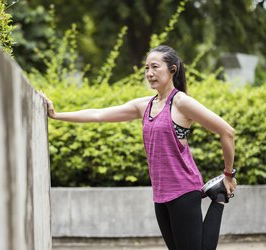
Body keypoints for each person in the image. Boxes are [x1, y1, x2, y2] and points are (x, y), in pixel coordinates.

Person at [40, 45, 237, 250]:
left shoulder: (181, 103)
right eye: (146, 68)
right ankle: (219, 195)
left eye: (155, 67)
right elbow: (98, 114)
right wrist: (57, 115)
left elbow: (227, 132)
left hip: (184, 191)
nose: (149, 73)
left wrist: (228, 173)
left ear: (172, 69)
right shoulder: (144, 105)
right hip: (160, 194)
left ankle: (219, 199)